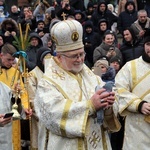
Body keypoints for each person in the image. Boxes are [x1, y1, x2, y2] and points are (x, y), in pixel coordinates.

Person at [34, 19, 121, 150]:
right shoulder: (47, 83)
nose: (80, 59)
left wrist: (108, 103)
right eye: (74, 56)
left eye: (82, 54)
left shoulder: (89, 74)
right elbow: (52, 115)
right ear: (59, 57)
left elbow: (110, 96)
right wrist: (90, 106)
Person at [114, 33, 150, 150]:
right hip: (136, 129)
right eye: (148, 44)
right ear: (144, 45)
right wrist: (139, 105)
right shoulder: (131, 66)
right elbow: (118, 90)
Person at [28, 47, 51, 149]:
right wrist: (42, 114)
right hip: (39, 116)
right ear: (41, 60)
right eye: (46, 58)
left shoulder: (54, 75)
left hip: (53, 114)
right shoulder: (32, 75)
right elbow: (32, 98)